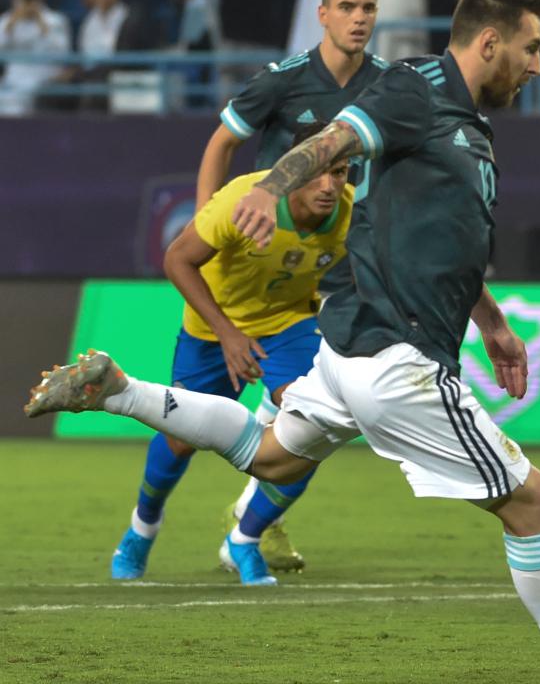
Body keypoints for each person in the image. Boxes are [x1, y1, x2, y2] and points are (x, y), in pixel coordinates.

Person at [27, 0, 540, 684]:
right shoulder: (418, 90)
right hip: (397, 359)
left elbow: (450, 240)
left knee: (272, 455)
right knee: (536, 504)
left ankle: (119, 389)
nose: (537, 65)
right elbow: (335, 138)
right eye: (529, 49)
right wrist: (272, 185)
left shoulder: (461, 118)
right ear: (489, 42)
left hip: (347, 349)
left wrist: (492, 320)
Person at [98, 122, 353, 585]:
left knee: (312, 428)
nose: (329, 185)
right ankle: (142, 529)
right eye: (318, 172)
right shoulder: (244, 200)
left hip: (287, 325)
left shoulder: (352, 214)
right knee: (179, 441)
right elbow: (177, 258)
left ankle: (245, 540)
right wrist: (228, 334)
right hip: (212, 329)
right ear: (291, 171)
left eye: (340, 172)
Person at [193, 0, 385, 573]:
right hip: (280, 258)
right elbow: (222, 143)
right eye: (348, 6)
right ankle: (249, 522)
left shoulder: (388, 86)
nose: (359, 18)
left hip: (349, 250)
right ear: (323, 13)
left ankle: (253, 516)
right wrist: (209, 222)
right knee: (311, 408)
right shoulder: (285, 80)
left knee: (323, 411)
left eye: (368, 8)